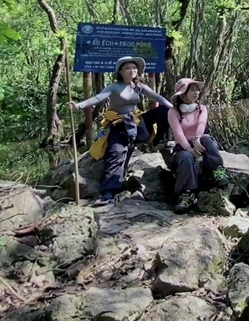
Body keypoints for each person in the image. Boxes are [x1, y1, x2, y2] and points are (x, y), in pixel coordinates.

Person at [69, 56, 172, 206]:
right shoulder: (114, 87)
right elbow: (98, 98)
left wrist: (176, 109)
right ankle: (108, 193)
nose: (132, 71)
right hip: (119, 124)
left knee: (164, 111)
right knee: (116, 154)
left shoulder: (139, 86)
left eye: (134, 68)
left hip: (136, 122)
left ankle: (161, 141)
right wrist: (78, 105)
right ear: (121, 71)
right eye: (128, 68)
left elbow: (158, 98)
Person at [164, 77, 228, 213]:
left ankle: (218, 171)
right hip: (182, 147)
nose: (196, 93)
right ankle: (187, 195)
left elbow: (201, 124)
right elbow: (178, 132)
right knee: (186, 157)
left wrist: (198, 139)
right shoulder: (173, 112)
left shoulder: (202, 108)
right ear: (183, 94)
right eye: (192, 90)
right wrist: (189, 149)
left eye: (197, 90)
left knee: (208, 140)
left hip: (199, 141)